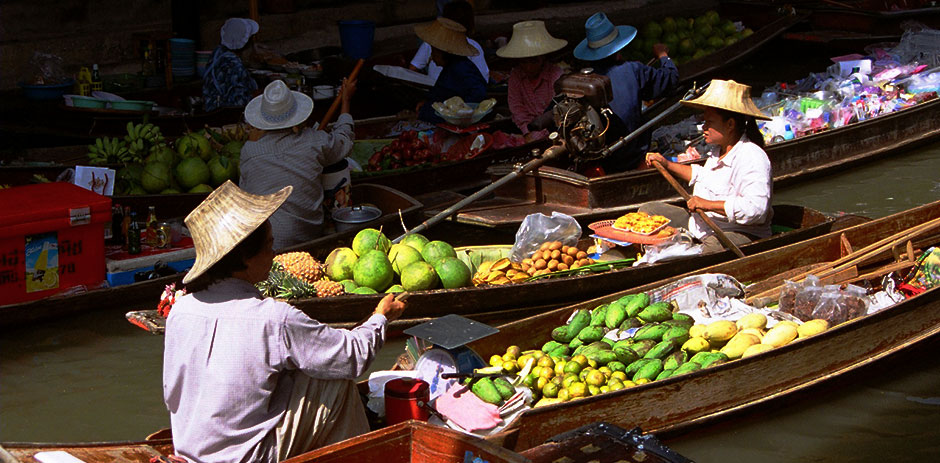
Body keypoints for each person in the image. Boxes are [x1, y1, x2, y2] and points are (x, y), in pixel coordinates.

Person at [163, 181, 407, 462]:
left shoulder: (181, 310)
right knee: (334, 383)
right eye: (268, 246)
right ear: (245, 258)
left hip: (191, 449)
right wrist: (380, 317)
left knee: (303, 368)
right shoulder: (273, 319)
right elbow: (351, 357)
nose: (274, 253)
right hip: (246, 457)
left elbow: (173, 395)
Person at [643, 79, 773, 254]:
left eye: (709, 122)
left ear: (730, 125)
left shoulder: (752, 156)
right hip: (701, 225)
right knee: (648, 211)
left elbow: (756, 209)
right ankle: (683, 243)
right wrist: (666, 164)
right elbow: (700, 175)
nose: (704, 127)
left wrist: (707, 204)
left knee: (710, 247)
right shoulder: (717, 151)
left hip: (737, 232)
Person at [238, 78, 357, 250]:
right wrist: (345, 102)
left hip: (265, 242)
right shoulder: (314, 141)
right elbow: (345, 140)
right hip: (308, 236)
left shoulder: (249, 151)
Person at [573, 12, 679, 172]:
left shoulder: (578, 80)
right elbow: (670, 80)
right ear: (618, 47)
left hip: (597, 155)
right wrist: (663, 55)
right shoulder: (632, 70)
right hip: (627, 158)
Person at [498, 20, 567, 141]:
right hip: (527, 129)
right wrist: (527, 132)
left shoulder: (555, 75)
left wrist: (540, 134)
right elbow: (517, 108)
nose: (528, 67)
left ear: (543, 58)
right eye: (524, 62)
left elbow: (556, 111)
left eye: (534, 61)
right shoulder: (516, 75)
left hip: (554, 130)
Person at [415, 17, 488, 123]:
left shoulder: (461, 69)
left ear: (444, 52)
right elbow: (440, 93)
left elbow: (478, 94)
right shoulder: (451, 68)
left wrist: (461, 112)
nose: (431, 56)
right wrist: (427, 102)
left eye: (434, 52)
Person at [410, 0, 489, 84]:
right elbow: (483, 79)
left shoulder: (433, 40)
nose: (432, 57)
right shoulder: (473, 47)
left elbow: (413, 68)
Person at [203, 18, 260, 112]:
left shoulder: (218, 53)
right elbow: (239, 103)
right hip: (222, 113)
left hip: (211, 106)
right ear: (246, 43)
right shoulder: (234, 65)